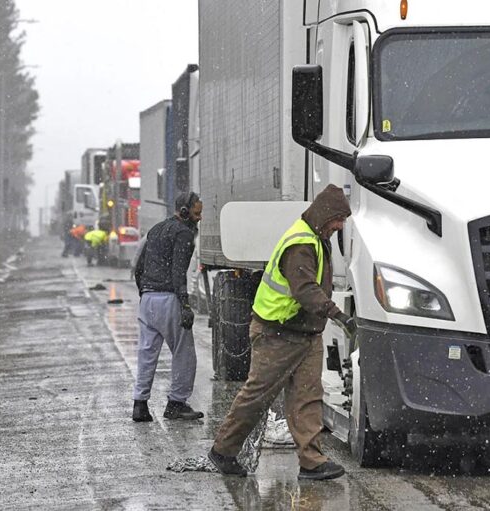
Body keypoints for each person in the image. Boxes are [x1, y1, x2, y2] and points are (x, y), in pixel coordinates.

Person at [208, 184, 354, 480]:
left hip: (305, 333)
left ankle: (311, 462)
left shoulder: (316, 235)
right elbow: (305, 291)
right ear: (326, 214)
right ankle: (223, 451)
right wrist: (338, 315)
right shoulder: (300, 243)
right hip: (277, 333)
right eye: (338, 219)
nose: (340, 226)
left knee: (308, 396)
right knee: (257, 396)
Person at [131, 192, 203, 422]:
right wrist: (184, 304)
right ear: (184, 211)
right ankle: (176, 404)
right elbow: (178, 271)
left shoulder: (155, 229)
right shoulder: (183, 233)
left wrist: (144, 292)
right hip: (169, 298)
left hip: (148, 299)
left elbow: (138, 265)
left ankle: (140, 405)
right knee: (184, 353)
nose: (199, 218)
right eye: (196, 213)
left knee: (146, 353)